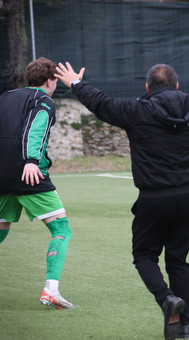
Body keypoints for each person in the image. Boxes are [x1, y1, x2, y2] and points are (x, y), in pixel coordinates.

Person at [55, 38, 189, 340]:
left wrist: (77, 83)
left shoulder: (136, 112)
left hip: (153, 198)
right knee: (178, 261)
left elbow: (102, 104)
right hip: (187, 197)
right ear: (177, 85)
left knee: (144, 256)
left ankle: (166, 299)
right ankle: (182, 326)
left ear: (147, 88)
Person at [0, 57, 78, 309]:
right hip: (27, 173)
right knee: (61, 229)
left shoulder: (6, 97)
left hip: (2, 174)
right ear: (49, 80)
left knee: (1, 229)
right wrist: (31, 160)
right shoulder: (42, 100)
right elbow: (36, 128)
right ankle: (50, 291)